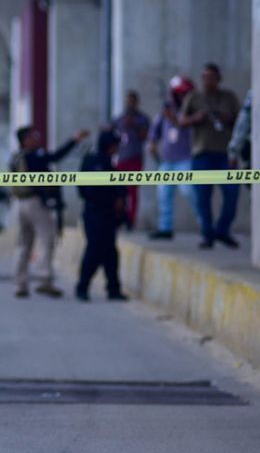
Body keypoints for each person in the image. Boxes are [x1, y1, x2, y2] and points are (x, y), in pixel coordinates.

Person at [9, 125, 90, 298]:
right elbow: (56, 156)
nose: (36, 138)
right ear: (25, 140)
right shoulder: (34, 156)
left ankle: (20, 284)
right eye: (32, 136)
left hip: (19, 204)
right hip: (35, 203)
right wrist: (74, 140)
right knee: (47, 240)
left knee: (23, 245)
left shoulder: (16, 157)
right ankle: (44, 279)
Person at [179, 62, 241, 249]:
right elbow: (181, 121)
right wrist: (196, 118)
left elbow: (242, 121)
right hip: (202, 154)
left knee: (231, 195)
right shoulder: (194, 97)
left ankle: (222, 230)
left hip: (225, 154)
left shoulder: (229, 97)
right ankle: (207, 234)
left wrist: (226, 118)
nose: (208, 81)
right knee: (202, 199)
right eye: (205, 77)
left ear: (219, 79)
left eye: (212, 77)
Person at [75, 130, 128, 301]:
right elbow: (89, 190)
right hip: (96, 213)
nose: (118, 147)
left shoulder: (108, 162)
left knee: (110, 253)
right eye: (115, 144)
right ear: (110, 146)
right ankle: (82, 287)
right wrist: (113, 199)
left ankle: (113, 289)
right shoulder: (95, 162)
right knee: (95, 251)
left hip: (107, 214)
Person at [147, 76, 197, 240]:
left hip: (186, 159)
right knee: (163, 195)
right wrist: (153, 141)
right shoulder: (165, 111)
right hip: (167, 160)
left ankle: (206, 226)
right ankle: (165, 228)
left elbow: (181, 124)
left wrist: (172, 117)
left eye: (186, 94)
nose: (183, 97)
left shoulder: (192, 111)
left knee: (190, 192)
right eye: (181, 94)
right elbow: (155, 129)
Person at [112, 90, 149, 229]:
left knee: (132, 190)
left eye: (132, 101)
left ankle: (131, 220)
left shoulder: (142, 119)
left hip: (135, 158)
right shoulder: (119, 118)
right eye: (127, 101)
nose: (129, 104)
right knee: (118, 190)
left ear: (136, 103)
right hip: (121, 159)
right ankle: (119, 218)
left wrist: (134, 125)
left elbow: (144, 137)